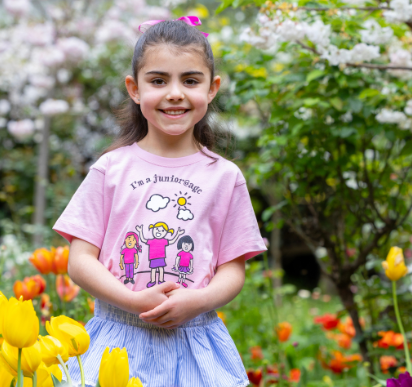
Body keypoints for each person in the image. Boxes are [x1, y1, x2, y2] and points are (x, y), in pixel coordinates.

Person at [53, 17, 266, 387]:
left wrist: (198, 301)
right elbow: (79, 260)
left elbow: (233, 269)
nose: (174, 93)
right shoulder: (111, 169)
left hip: (196, 343)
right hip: (116, 340)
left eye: (190, 80)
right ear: (134, 89)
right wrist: (132, 301)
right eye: (158, 80)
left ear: (212, 88)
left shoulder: (225, 177)